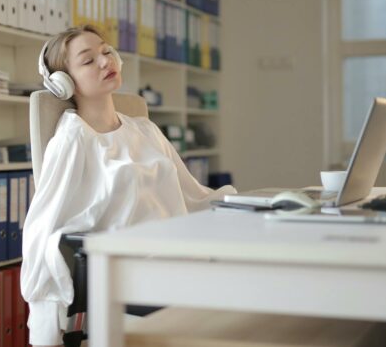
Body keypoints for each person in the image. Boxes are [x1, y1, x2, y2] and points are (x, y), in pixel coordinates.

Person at [20, 25, 236, 347]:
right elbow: (44, 228)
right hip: (133, 272)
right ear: (64, 83)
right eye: (88, 60)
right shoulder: (73, 139)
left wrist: (251, 205)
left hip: (176, 259)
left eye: (107, 52)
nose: (105, 62)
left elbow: (193, 195)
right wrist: (45, 319)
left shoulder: (145, 130)